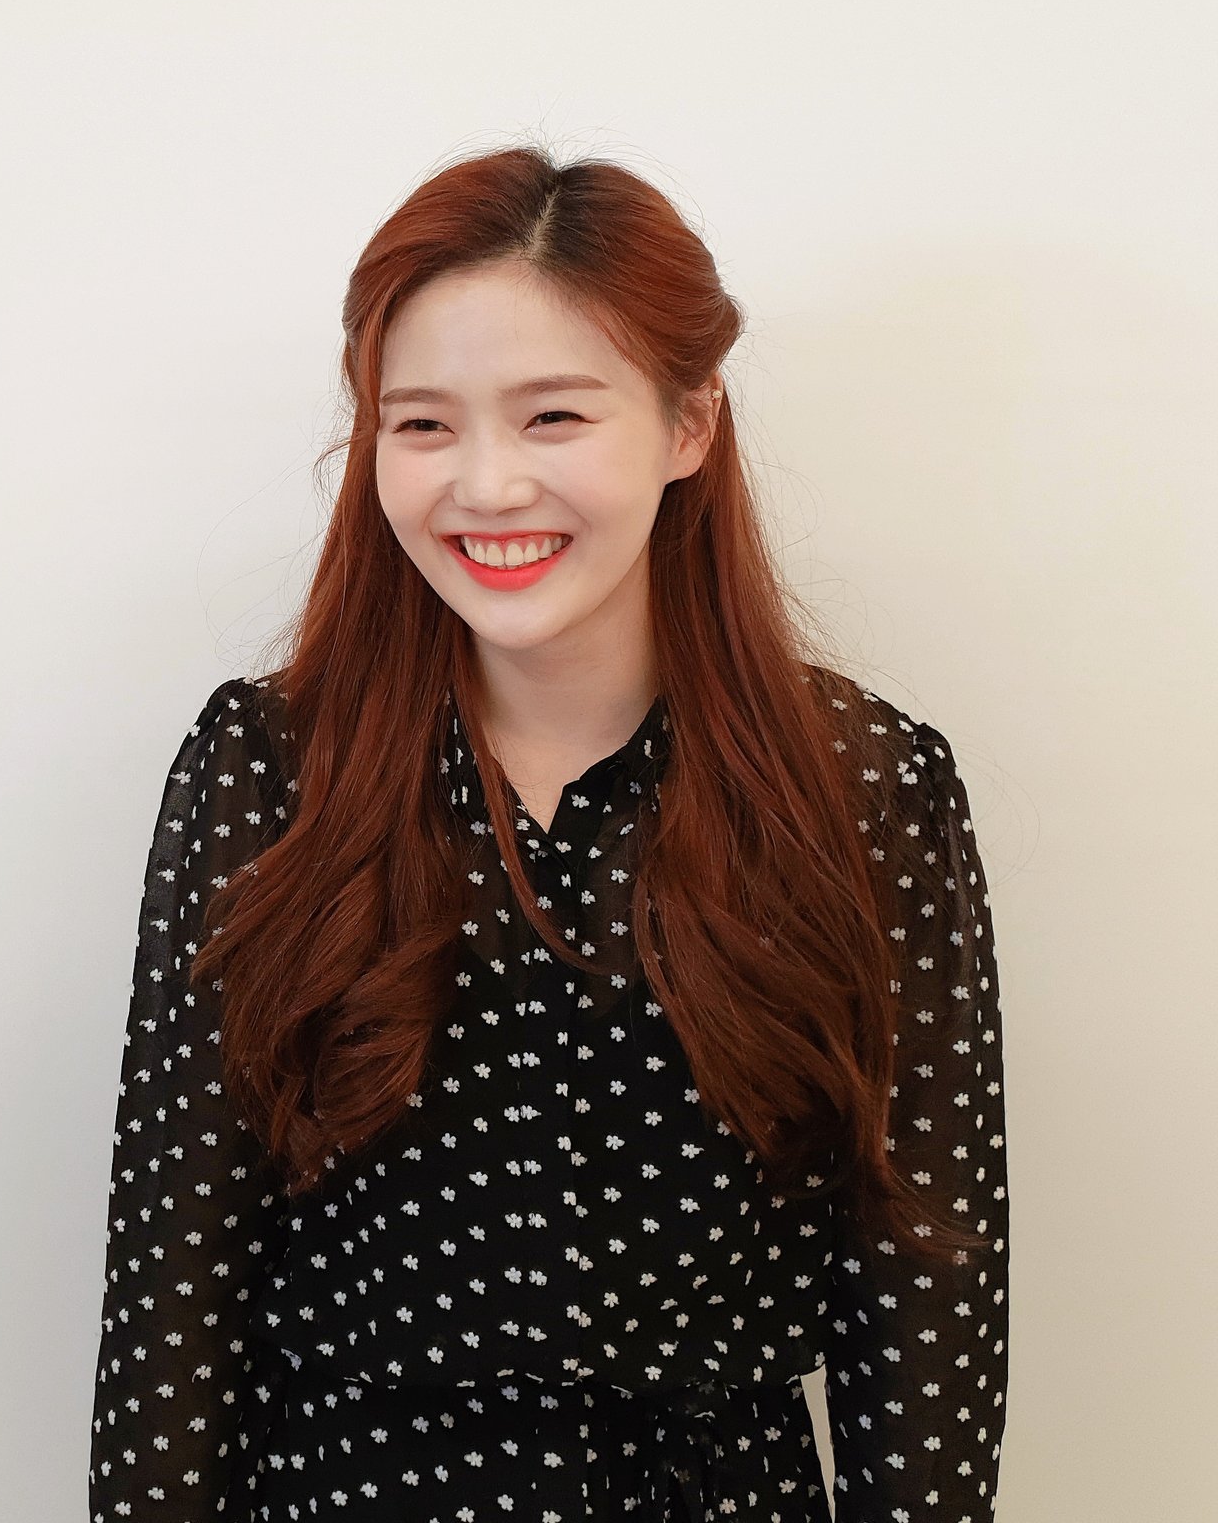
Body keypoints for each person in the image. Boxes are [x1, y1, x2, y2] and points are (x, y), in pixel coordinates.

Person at [86, 146, 1009, 1523]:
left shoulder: (863, 788)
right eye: (422, 425)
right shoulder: (268, 772)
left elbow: (927, 1300)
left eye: (554, 417)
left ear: (690, 426)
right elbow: (174, 1290)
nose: (488, 486)